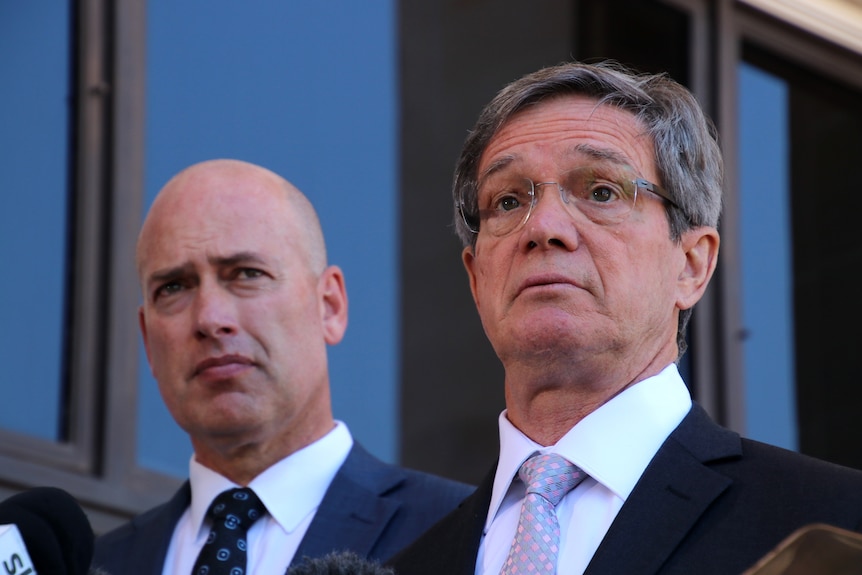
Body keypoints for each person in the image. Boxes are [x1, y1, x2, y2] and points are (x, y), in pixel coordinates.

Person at [387, 61, 862, 575]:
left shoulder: (834, 526)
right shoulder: (409, 565)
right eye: (507, 200)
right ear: (476, 279)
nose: (544, 226)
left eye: (601, 192)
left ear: (691, 263)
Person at [91, 159, 472, 575]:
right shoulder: (99, 564)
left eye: (246, 274)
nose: (209, 317)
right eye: (174, 288)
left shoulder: (466, 531)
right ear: (147, 339)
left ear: (330, 305)